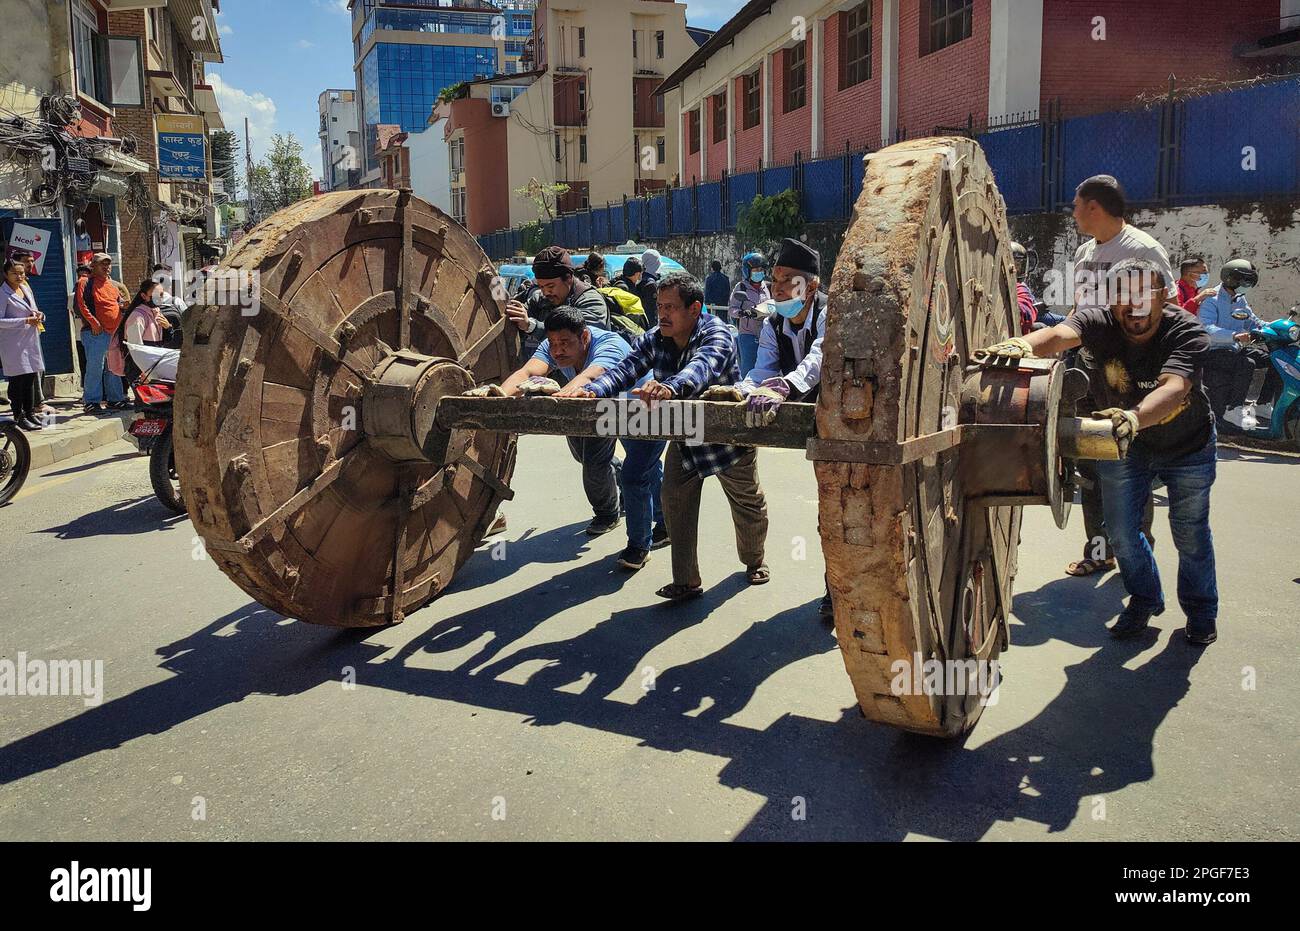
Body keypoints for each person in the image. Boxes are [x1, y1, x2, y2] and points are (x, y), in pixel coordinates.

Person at [977, 258, 1219, 645]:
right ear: (1112, 300)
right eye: (1124, 296)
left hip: (1187, 447)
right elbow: (1060, 334)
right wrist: (1024, 345)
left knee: (1189, 533)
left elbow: (1174, 387)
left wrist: (1135, 417)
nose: (1135, 305)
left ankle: (1202, 612)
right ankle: (1143, 600)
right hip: (1122, 446)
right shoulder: (1097, 321)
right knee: (1122, 535)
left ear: (1163, 297)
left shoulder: (1187, 331)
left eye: (1146, 295)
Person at [574, 272, 770, 602]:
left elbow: (702, 367)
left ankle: (754, 560)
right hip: (687, 434)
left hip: (728, 439)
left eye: (670, 307)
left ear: (695, 309)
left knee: (747, 503)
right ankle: (687, 582)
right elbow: (626, 369)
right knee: (674, 501)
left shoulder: (718, 333)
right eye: (659, 306)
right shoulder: (655, 337)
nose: (662, 314)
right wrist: (591, 391)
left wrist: (670, 387)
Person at [467, 307, 669, 561]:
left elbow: (591, 376)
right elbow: (529, 372)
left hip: (639, 409)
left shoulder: (610, 345)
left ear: (584, 338)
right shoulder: (553, 345)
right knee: (604, 463)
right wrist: (497, 396)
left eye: (564, 343)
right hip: (599, 412)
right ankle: (657, 518)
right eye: (553, 343)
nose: (558, 350)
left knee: (638, 472)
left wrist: (560, 396)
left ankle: (648, 538)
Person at [1065, 175, 1168, 578]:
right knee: (1089, 465)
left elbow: (1166, 309)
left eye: (1076, 205)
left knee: (1128, 461)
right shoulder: (1084, 253)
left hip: (1129, 373)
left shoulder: (1143, 249)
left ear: (1094, 207)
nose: (1072, 213)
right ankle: (1099, 549)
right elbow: (1080, 308)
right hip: (1090, 369)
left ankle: (1136, 555)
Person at [733, 237, 831, 617]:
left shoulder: (827, 313)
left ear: (812, 286)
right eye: (775, 280)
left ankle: (832, 592)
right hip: (801, 409)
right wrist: (741, 389)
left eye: (788, 279)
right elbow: (762, 369)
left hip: (838, 413)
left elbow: (822, 356)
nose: (778, 288)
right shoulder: (774, 321)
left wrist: (785, 386)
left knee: (833, 509)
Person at [1196, 259, 1270, 430]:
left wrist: (1274, 328)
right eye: (1244, 280)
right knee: (1247, 364)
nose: (1246, 284)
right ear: (1230, 278)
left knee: (1271, 360)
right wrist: (1235, 336)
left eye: (1249, 281)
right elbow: (1207, 328)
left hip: (1233, 349)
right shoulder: (1211, 299)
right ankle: (1233, 408)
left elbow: (1253, 322)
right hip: (1213, 351)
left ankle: (1263, 404)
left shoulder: (1240, 299)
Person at [505, 246, 609, 363]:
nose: (545, 292)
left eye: (550, 286)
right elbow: (521, 315)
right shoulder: (540, 298)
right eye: (541, 286)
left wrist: (531, 326)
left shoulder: (591, 302)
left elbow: (576, 336)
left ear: (569, 279)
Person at [75, 253, 129, 414]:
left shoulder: (112, 285)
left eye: (108, 264)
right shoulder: (85, 282)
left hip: (113, 333)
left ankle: (115, 399)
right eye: (102, 264)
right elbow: (80, 305)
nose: (106, 267)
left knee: (113, 367)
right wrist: (94, 323)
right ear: (93, 266)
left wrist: (123, 308)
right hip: (96, 333)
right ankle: (91, 402)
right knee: (95, 368)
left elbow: (117, 305)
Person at [0, 259, 47, 431]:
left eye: (22, 273)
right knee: (17, 382)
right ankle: (18, 416)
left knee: (29, 379)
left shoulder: (25, 288)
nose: (19, 276)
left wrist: (39, 315)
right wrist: (25, 320)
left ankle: (30, 414)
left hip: (29, 341)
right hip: (13, 344)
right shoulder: (3, 293)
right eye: (15, 273)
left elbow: (33, 309)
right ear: (6, 274)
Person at [122, 279, 173, 386]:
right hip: (141, 371)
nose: (159, 298)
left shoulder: (156, 312)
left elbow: (166, 341)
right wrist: (144, 371)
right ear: (144, 296)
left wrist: (168, 327)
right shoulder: (137, 317)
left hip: (154, 367)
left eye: (161, 295)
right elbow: (135, 347)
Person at [728, 252, 770, 377]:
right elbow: (732, 309)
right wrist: (743, 313)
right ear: (748, 271)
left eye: (761, 269)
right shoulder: (741, 287)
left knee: (766, 368)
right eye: (756, 270)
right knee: (748, 368)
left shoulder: (767, 287)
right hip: (748, 334)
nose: (759, 272)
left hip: (766, 333)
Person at [1011, 242, 1038, 334]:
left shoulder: (1020, 287)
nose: (1015, 269)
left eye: (1018, 265)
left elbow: (1026, 311)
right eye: (1013, 265)